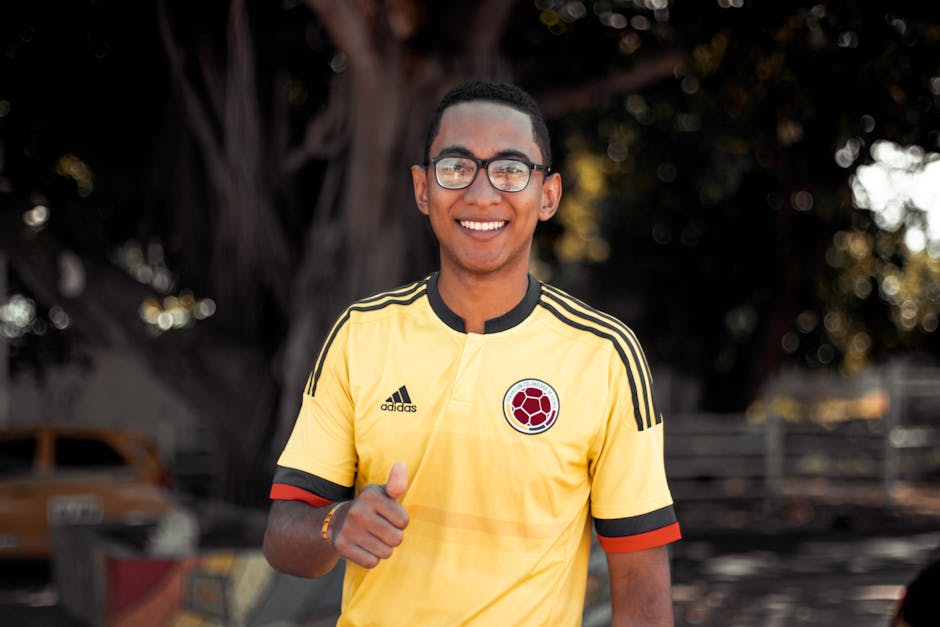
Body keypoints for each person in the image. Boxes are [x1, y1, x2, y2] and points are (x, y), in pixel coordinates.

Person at [263, 79, 681, 626]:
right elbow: (282, 536)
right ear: (421, 188)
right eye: (455, 168)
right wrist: (335, 525)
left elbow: (642, 587)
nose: (482, 194)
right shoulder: (362, 335)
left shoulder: (603, 355)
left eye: (510, 170)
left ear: (548, 195)